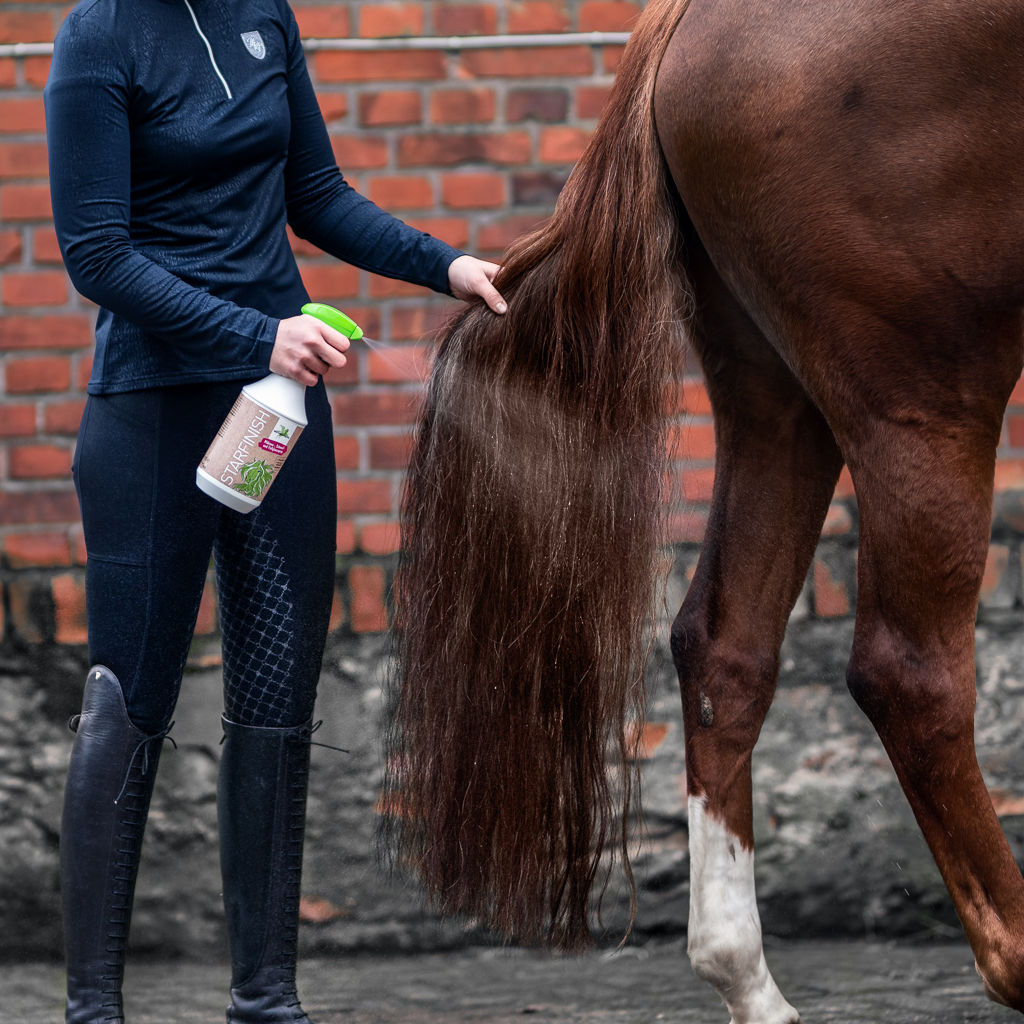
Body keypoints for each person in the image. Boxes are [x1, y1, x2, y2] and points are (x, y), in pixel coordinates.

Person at [44, 0, 505, 1021]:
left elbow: (318, 195)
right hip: (156, 414)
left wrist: (447, 265)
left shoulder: (263, 16)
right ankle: (92, 1009)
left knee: (275, 696)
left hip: (272, 412)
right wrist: (257, 331)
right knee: (132, 699)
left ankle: (266, 997)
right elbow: (96, 254)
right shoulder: (98, 36)